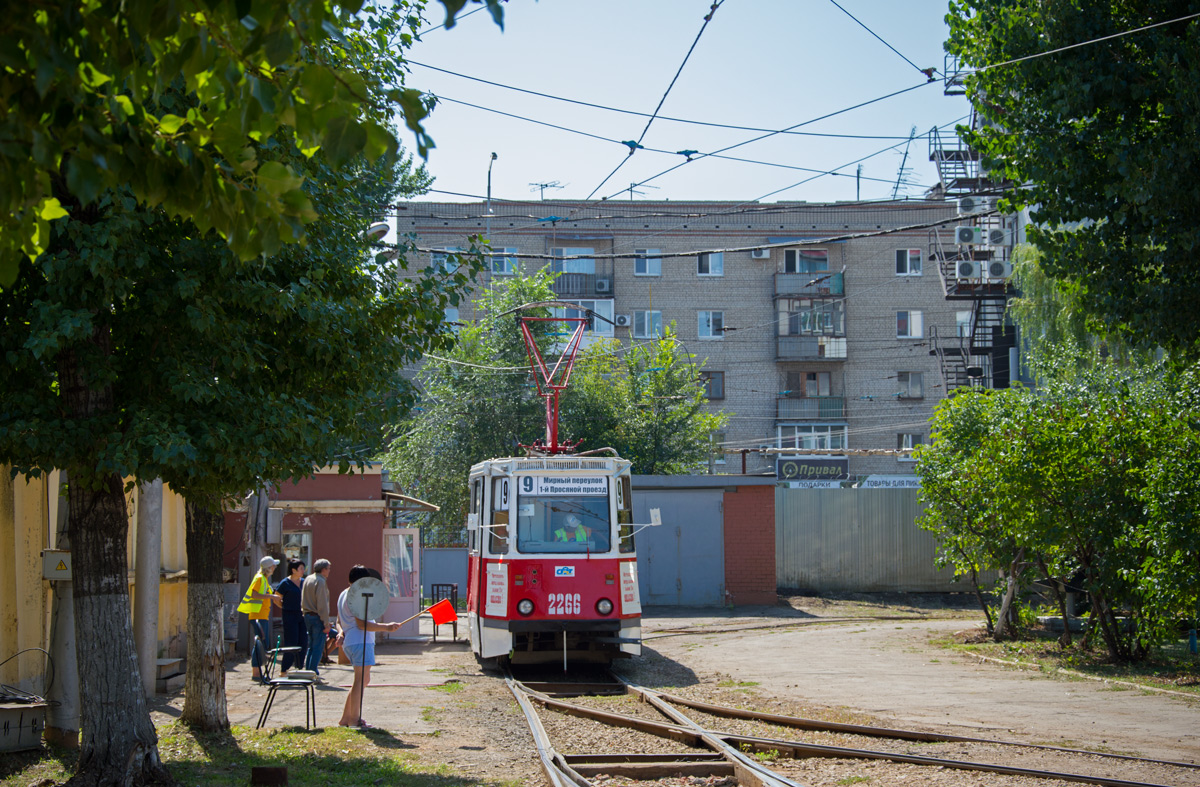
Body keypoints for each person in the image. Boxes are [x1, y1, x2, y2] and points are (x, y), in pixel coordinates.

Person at [336, 564, 401, 728]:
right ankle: (354, 720)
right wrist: (386, 627)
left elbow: (339, 620)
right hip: (360, 641)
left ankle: (346, 718)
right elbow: (362, 624)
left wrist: (341, 633)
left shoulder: (344, 593)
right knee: (361, 680)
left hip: (353, 641)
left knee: (362, 680)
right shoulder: (357, 595)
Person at [236, 555, 283, 684]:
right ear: (269, 568)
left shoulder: (263, 579)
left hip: (260, 615)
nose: (275, 568)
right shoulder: (260, 578)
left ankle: (257, 672)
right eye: (273, 566)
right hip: (258, 616)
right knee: (260, 644)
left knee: (261, 644)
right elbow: (254, 594)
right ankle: (256, 673)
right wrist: (272, 597)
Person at [273, 558, 307, 676]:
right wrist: (284, 606)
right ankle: (284, 669)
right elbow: (276, 598)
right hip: (289, 615)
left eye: (303, 568)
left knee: (303, 641)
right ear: (293, 570)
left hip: (302, 615)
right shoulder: (285, 583)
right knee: (291, 641)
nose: (303, 570)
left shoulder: (304, 582)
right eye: (301, 568)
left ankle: (299, 668)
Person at [300, 558, 332, 677]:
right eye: (328, 569)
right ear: (323, 569)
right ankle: (313, 673)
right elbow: (322, 604)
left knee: (311, 646)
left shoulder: (308, 578)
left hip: (307, 615)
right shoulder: (321, 581)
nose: (329, 571)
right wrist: (326, 623)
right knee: (318, 647)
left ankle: (308, 671)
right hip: (317, 617)